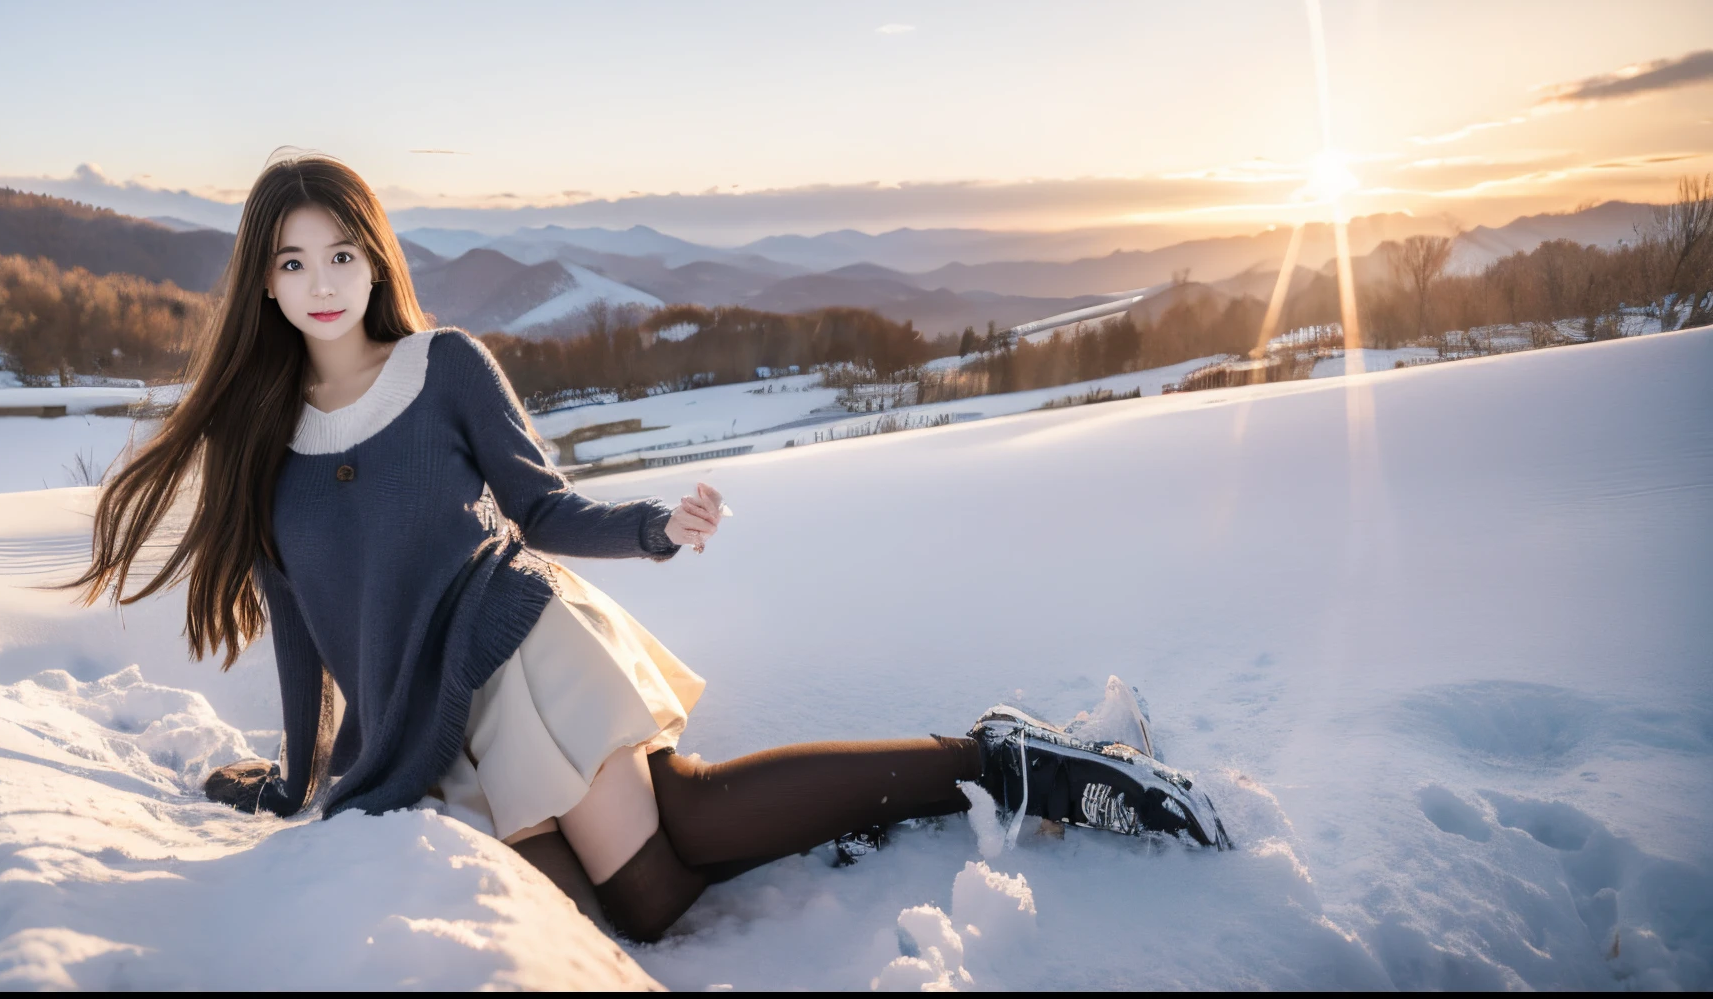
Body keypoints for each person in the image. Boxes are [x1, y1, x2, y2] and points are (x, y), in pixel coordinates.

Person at [71, 153, 1224, 943]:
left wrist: (651, 530)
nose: (319, 283)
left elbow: (539, 506)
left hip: (515, 643)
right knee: (633, 905)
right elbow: (302, 632)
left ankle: (999, 758)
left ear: (374, 257)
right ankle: (890, 800)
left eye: (339, 254)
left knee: (669, 862)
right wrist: (291, 778)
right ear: (259, 278)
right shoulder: (259, 438)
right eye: (289, 261)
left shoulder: (444, 368)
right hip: (428, 724)